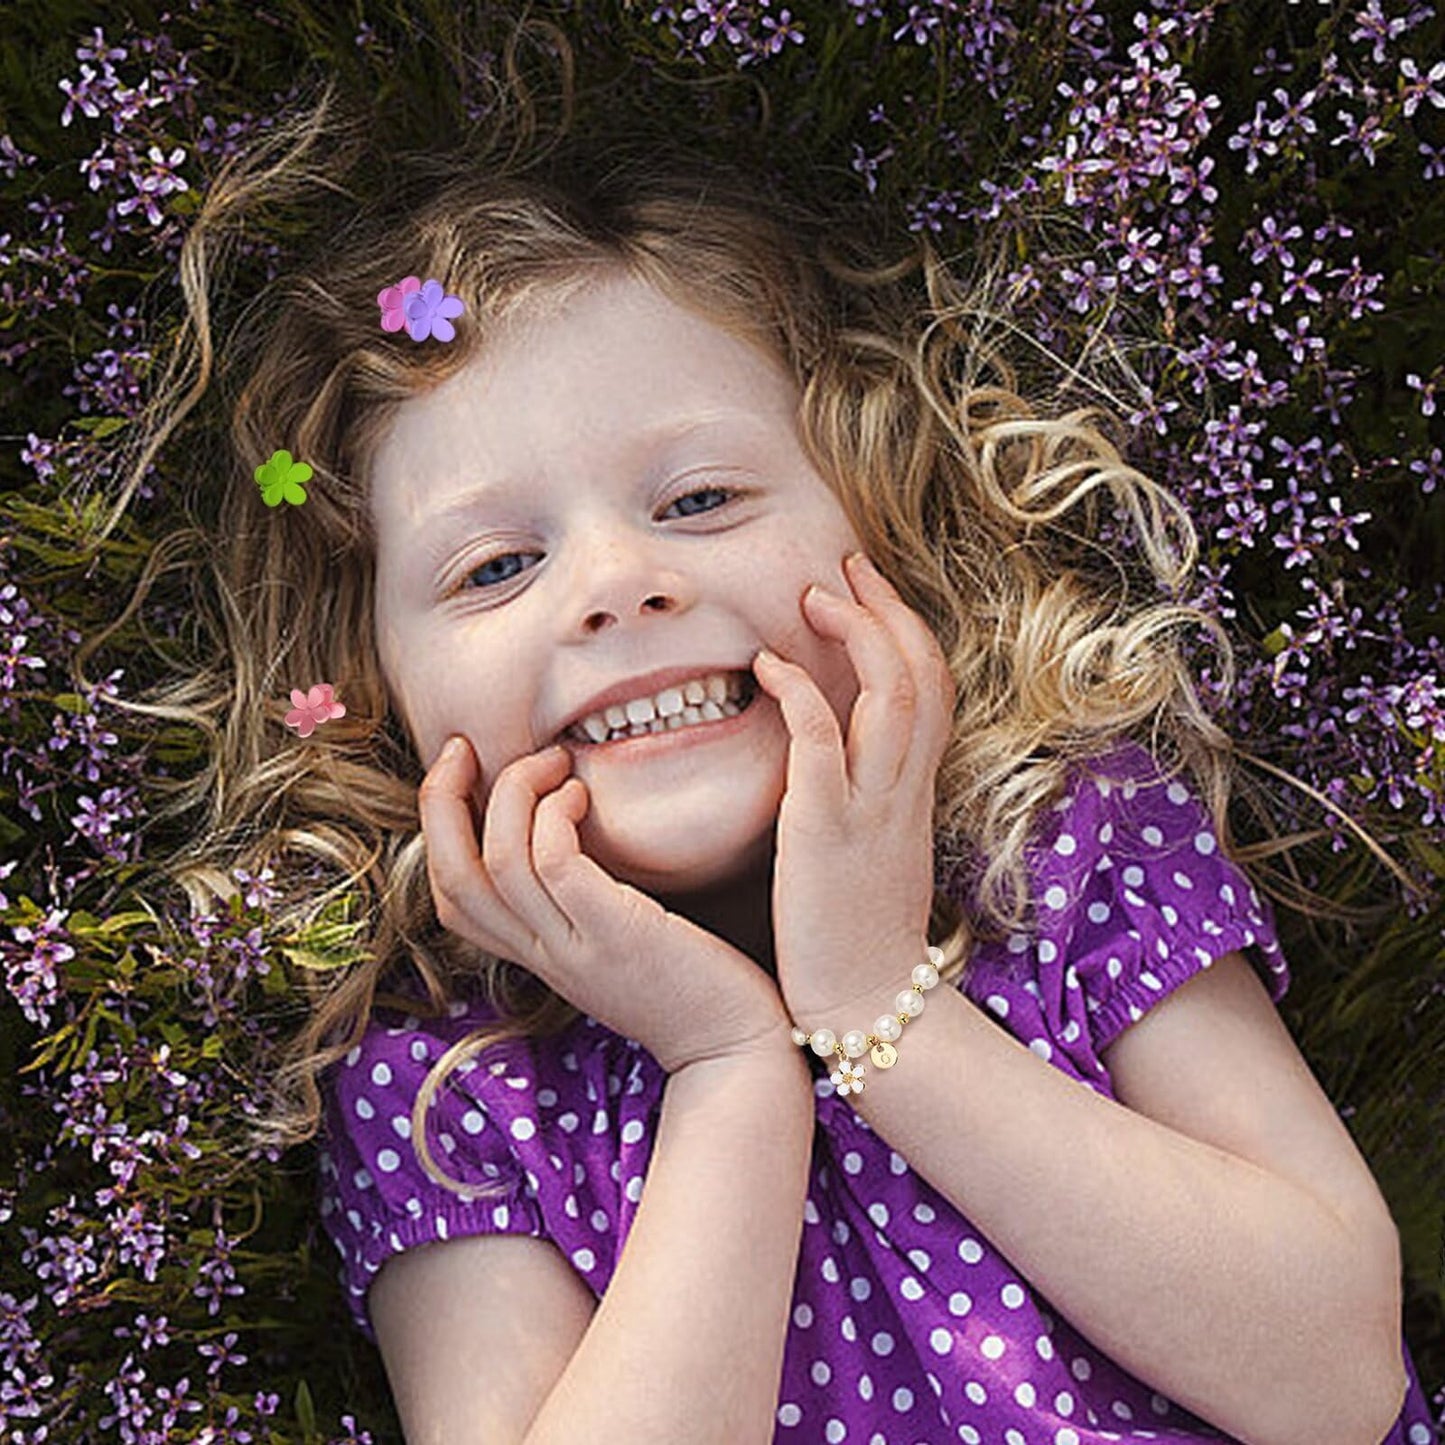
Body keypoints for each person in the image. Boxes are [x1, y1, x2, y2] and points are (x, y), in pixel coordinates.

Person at [101, 24, 1437, 1445]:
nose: (619, 586)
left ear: (883, 514)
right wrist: (727, 1066)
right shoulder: (449, 1085)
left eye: (699, 500)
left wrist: (879, 1011)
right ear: (369, 690)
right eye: (493, 568)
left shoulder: (1057, 846)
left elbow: (1333, 1383)